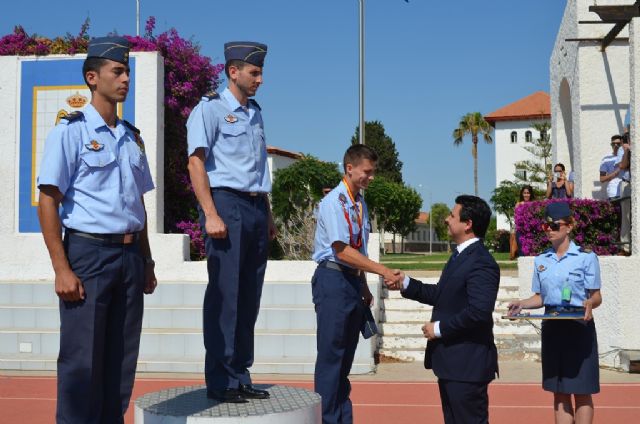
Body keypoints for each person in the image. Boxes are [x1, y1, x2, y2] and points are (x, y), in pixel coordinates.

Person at [37, 36, 157, 423]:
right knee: (82, 362)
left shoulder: (131, 137)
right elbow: (49, 200)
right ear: (92, 77)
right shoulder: (69, 132)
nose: (125, 78)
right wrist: (61, 268)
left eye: (127, 71)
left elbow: (137, 204)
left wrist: (148, 260)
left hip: (129, 258)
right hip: (88, 255)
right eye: (117, 71)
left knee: (120, 361)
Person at [186, 41, 277, 403]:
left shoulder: (255, 113)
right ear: (233, 71)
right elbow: (196, 163)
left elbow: (256, 170)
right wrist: (210, 213)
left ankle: (240, 373)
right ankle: (220, 379)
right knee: (225, 295)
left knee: (249, 296)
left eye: (261, 72)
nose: (260, 79)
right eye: (254, 72)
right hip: (225, 204)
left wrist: (267, 214)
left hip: (254, 208)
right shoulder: (208, 109)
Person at [386, 195, 500, 424]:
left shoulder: (481, 262)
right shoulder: (460, 256)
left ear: (468, 224)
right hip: (452, 364)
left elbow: (479, 312)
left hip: (467, 366)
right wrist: (406, 282)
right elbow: (442, 295)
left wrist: (439, 329)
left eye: (452, 215)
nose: (447, 219)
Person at [312, 144, 401, 424]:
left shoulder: (359, 202)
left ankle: (342, 418)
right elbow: (341, 250)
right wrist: (382, 270)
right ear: (349, 168)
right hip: (333, 279)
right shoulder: (334, 202)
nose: (371, 177)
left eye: (372, 172)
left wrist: (363, 285)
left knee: (344, 362)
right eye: (367, 171)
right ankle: (328, 418)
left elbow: (357, 250)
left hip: (350, 282)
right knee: (331, 360)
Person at [507, 202, 602, 424]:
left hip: (579, 325)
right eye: (545, 226)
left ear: (569, 227)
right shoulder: (541, 260)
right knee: (559, 391)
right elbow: (540, 297)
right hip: (553, 326)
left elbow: (597, 296)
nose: (549, 229)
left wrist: (589, 303)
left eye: (554, 225)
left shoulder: (586, 257)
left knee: (581, 390)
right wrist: (521, 304)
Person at [617, 131, 631, 254]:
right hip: (628, 184)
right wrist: (627, 150)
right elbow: (623, 165)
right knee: (626, 217)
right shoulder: (623, 149)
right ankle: (626, 247)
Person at [511, 185, 535, 259]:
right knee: (521, 252)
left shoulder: (533, 204)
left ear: (530, 194)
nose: (526, 194)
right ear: (522, 193)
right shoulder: (518, 204)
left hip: (531, 231)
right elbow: (515, 218)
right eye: (524, 193)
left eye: (528, 193)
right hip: (520, 231)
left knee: (531, 252)